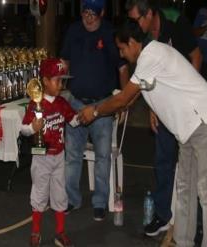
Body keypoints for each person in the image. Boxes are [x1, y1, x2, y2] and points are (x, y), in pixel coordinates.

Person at [79, 18, 207, 247]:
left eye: (122, 48)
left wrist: (95, 111)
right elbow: (134, 96)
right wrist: (153, 108)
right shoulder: (149, 58)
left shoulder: (151, 55)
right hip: (186, 130)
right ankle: (183, 242)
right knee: (185, 190)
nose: (122, 53)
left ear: (134, 42)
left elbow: (124, 99)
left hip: (204, 121)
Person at [126, 0, 202, 236]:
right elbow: (150, 78)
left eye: (136, 19)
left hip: (188, 107)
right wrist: (153, 109)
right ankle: (162, 215)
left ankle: (197, 224)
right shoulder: (146, 38)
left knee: (192, 168)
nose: (135, 26)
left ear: (149, 14)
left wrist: (185, 94)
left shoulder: (176, 23)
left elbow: (197, 57)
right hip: (165, 108)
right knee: (162, 161)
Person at [60, 0, 129, 221]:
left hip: (103, 104)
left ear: (102, 13)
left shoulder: (110, 33)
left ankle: (100, 202)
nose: (88, 18)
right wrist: (59, 92)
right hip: (76, 102)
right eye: (85, 13)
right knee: (71, 154)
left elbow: (123, 68)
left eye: (93, 14)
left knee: (102, 156)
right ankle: (72, 199)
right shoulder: (73, 30)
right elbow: (64, 62)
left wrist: (123, 100)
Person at [21, 58, 79, 247]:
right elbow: (23, 129)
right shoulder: (35, 103)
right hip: (41, 157)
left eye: (62, 81)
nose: (61, 85)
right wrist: (32, 126)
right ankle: (36, 232)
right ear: (45, 80)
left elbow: (74, 120)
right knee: (39, 193)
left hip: (59, 156)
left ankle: (60, 232)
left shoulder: (62, 103)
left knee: (60, 193)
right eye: (57, 80)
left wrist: (92, 113)